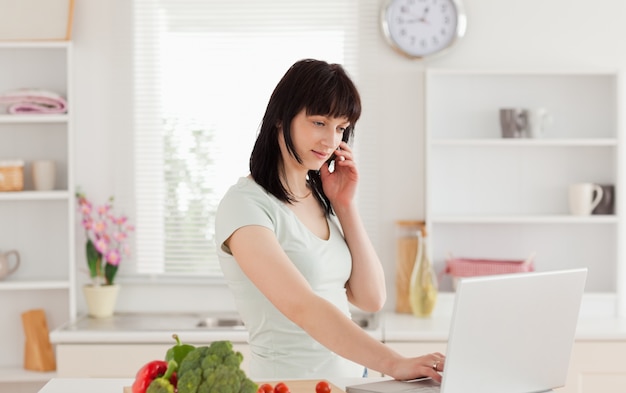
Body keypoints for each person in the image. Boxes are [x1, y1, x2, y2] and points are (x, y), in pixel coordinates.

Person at [215, 58, 445, 380]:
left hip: (353, 382)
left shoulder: (320, 199)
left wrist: (344, 205)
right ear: (281, 118)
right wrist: (394, 364)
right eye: (319, 122)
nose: (331, 141)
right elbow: (303, 306)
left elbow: (371, 297)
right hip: (290, 386)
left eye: (340, 128)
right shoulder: (244, 206)